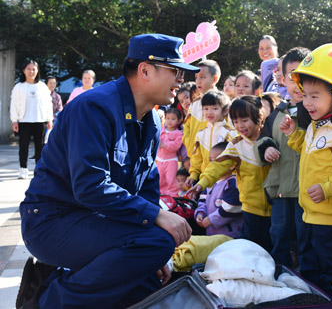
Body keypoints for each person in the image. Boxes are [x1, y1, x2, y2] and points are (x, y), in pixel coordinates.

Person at [17, 34, 198, 309]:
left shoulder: (150, 118)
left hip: (96, 220)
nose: (181, 79)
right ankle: (47, 303)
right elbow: (90, 186)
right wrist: (157, 219)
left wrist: (151, 249)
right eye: (175, 70)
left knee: (149, 280)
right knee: (159, 241)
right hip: (52, 222)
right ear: (145, 70)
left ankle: (58, 280)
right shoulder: (95, 107)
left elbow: (147, 187)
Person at [279, 44, 332, 305]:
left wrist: (328, 188)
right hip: (309, 215)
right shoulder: (319, 125)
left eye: (315, 96)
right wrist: (294, 134)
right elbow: (309, 152)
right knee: (310, 269)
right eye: (305, 95)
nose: (307, 102)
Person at [187, 96, 272, 252]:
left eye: (244, 120)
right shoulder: (236, 144)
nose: (240, 126)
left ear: (259, 117)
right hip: (250, 208)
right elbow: (217, 166)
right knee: (251, 248)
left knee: (271, 246)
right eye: (236, 121)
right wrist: (201, 183)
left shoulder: (271, 140)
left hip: (275, 207)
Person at [255, 47, 310, 268]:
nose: (298, 82)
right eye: (292, 76)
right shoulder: (278, 113)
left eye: (304, 76)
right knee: (279, 237)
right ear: (283, 79)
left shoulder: (319, 112)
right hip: (280, 188)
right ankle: (280, 278)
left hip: (309, 192)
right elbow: (263, 138)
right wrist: (266, 148)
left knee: (307, 241)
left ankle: (309, 286)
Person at [10, 60, 54, 180]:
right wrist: (14, 120)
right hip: (24, 121)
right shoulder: (19, 87)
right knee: (23, 146)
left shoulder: (42, 87)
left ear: (37, 71)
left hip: (39, 121)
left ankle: (38, 169)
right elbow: (13, 104)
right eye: (28, 69)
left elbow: (48, 104)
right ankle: (23, 169)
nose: (31, 71)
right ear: (24, 71)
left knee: (39, 147)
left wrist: (49, 119)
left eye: (34, 69)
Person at [186, 90, 237, 184]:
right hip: (205, 182)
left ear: (225, 111)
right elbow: (197, 158)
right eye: (205, 108)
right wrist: (193, 175)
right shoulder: (200, 134)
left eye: (214, 108)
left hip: (226, 181)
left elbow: (234, 159)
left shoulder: (230, 133)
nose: (209, 112)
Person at [194, 141, 243, 238]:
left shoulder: (233, 182)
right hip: (211, 233)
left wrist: (211, 219)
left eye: (217, 160)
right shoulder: (209, 182)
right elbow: (202, 201)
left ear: (231, 165)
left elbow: (231, 208)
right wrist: (200, 214)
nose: (212, 164)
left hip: (229, 235)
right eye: (210, 160)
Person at [182, 60, 220, 154]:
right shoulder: (194, 103)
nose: (198, 81)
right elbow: (187, 126)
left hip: (214, 161)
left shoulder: (223, 104)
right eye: (196, 77)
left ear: (214, 79)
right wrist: (189, 143)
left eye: (202, 77)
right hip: (194, 159)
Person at [157, 108, 184, 196]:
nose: (169, 121)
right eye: (168, 118)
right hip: (159, 160)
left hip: (171, 160)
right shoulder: (161, 130)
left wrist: (164, 145)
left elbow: (176, 145)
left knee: (171, 179)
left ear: (179, 120)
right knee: (159, 179)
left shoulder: (178, 133)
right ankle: (160, 195)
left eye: (173, 119)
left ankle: (173, 197)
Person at [44, 76, 63, 144]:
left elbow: (60, 110)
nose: (52, 85)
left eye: (54, 83)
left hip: (54, 121)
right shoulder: (41, 95)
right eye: (50, 83)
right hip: (43, 120)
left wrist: (52, 117)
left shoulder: (57, 96)